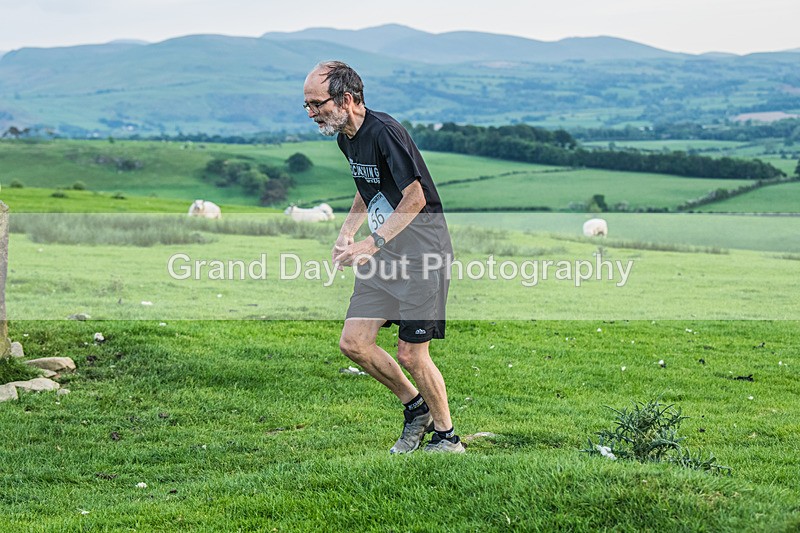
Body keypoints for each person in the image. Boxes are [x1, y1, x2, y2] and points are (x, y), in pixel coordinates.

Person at [303, 61, 464, 453]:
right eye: (305, 105)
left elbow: (416, 196)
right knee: (354, 342)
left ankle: (448, 438)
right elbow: (368, 185)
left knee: (411, 353)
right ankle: (416, 409)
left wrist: (370, 243)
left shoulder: (385, 132)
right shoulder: (346, 137)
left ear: (347, 98)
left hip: (421, 255)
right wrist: (347, 233)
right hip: (383, 255)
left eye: (315, 104)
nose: (310, 113)